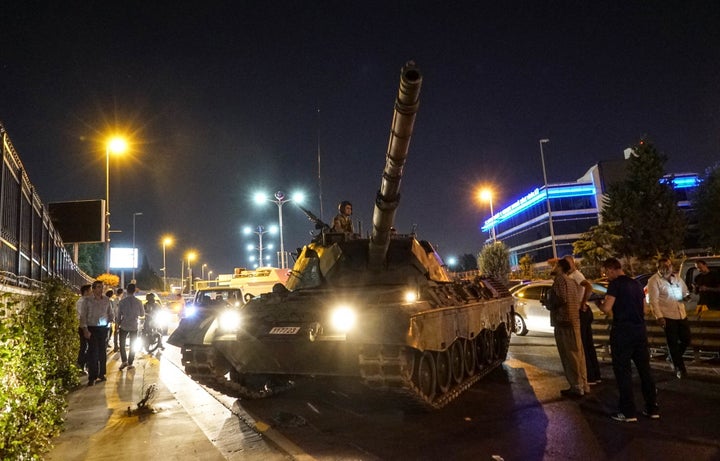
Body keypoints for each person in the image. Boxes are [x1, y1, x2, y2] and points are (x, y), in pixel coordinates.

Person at [596, 258, 659, 422]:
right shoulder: (637, 285)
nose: (605, 275)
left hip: (622, 332)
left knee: (623, 372)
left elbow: (607, 308)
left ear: (611, 269)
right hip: (640, 331)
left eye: (605, 272)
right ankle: (652, 408)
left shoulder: (615, 285)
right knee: (645, 370)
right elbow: (645, 309)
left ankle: (628, 411)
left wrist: (598, 304)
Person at [647, 257, 691, 379]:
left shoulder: (677, 278)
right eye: (663, 266)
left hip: (681, 314)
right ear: (658, 268)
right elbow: (653, 301)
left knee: (686, 339)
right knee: (672, 343)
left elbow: (685, 291)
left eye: (668, 266)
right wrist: (659, 317)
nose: (667, 268)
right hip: (667, 316)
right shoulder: (654, 281)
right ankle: (679, 368)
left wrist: (686, 297)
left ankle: (672, 357)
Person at [551, 258, 588, 398]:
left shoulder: (560, 280)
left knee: (569, 356)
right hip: (574, 321)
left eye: (556, 265)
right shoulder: (571, 281)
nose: (553, 267)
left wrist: (549, 303)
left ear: (560, 267)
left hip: (564, 322)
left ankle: (576, 387)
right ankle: (584, 384)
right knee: (579, 355)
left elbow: (561, 299)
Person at [563, 255, 601, 385]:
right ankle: (595, 375)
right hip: (584, 311)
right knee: (588, 344)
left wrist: (583, 302)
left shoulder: (576, 275)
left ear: (573, 264)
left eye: (568, 263)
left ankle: (590, 376)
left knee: (584, 345)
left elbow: (588, 286)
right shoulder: (573, 275)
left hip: (581, 311)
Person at [79, 280, 114, 386]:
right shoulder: (87, 301)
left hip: (103, 329)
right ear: (93, 289)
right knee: (93, 353)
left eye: (102, 287)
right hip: (91, 329)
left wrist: (110, 321)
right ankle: (92, 376)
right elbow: (83, 316)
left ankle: (101, 374)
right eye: (98, 287)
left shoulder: (106, 300)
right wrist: (85, 329)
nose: (100, 289)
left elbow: (110, 313)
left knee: (102, 352)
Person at [117, 284, 145, 370]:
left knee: (122, 344)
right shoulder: (139, 302)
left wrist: (118, 324)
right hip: (134, 325)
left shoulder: (122, 302)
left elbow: (118, 315)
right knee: (133, 344)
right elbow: (142, 314)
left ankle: (124, 361)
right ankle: (130, 362)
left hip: (124, 325)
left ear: (127, 290)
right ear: (134, 290)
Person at [75, 284, 92, 374]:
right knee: (85, 347)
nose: (91, 292)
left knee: (86, 347)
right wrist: (85, 329)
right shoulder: (82, 302)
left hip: (85, 326)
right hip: (84, 327)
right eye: (90, 290)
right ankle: (81, 365)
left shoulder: (86, 301)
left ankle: (83, 365)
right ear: (86, 292)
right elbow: (82, 316)